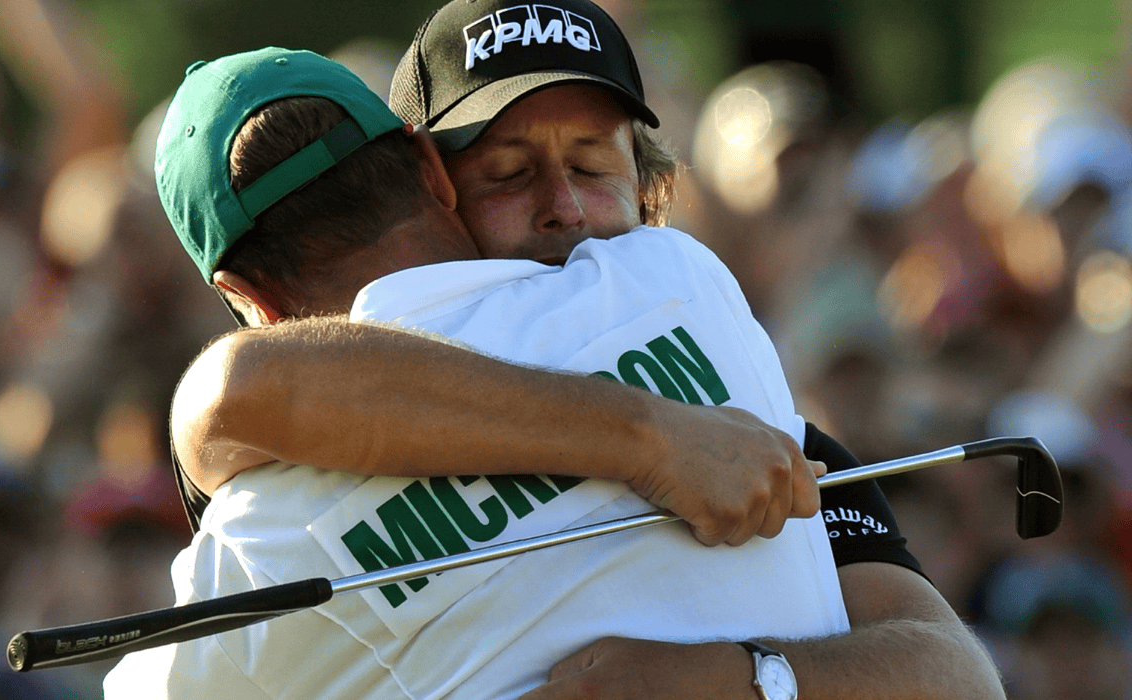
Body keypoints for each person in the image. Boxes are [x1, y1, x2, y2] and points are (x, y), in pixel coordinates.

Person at [111, 2, 1004, 698]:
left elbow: (958, 679)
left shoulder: (732, 391)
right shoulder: (679, 299)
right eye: (506, 172)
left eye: (591, 164)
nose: (565, 212)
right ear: (435, 176)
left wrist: (744, 683)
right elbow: (247, 388)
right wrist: (649, 440)